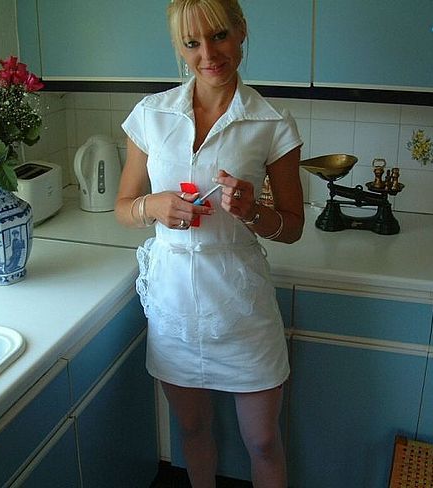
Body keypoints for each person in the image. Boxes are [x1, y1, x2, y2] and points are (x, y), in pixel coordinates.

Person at [115, 1, 304, 486]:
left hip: (242, 305)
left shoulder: (271, 121)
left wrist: (252, 211)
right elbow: (124, 207)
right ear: (178, 48)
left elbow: (292, 226)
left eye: (219, 36)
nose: (208, 54)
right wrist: (152, 206)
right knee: (192, 430)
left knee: (263, 440)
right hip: (174, 302)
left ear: (241, 31)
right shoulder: (151, 114)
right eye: (191, 43)